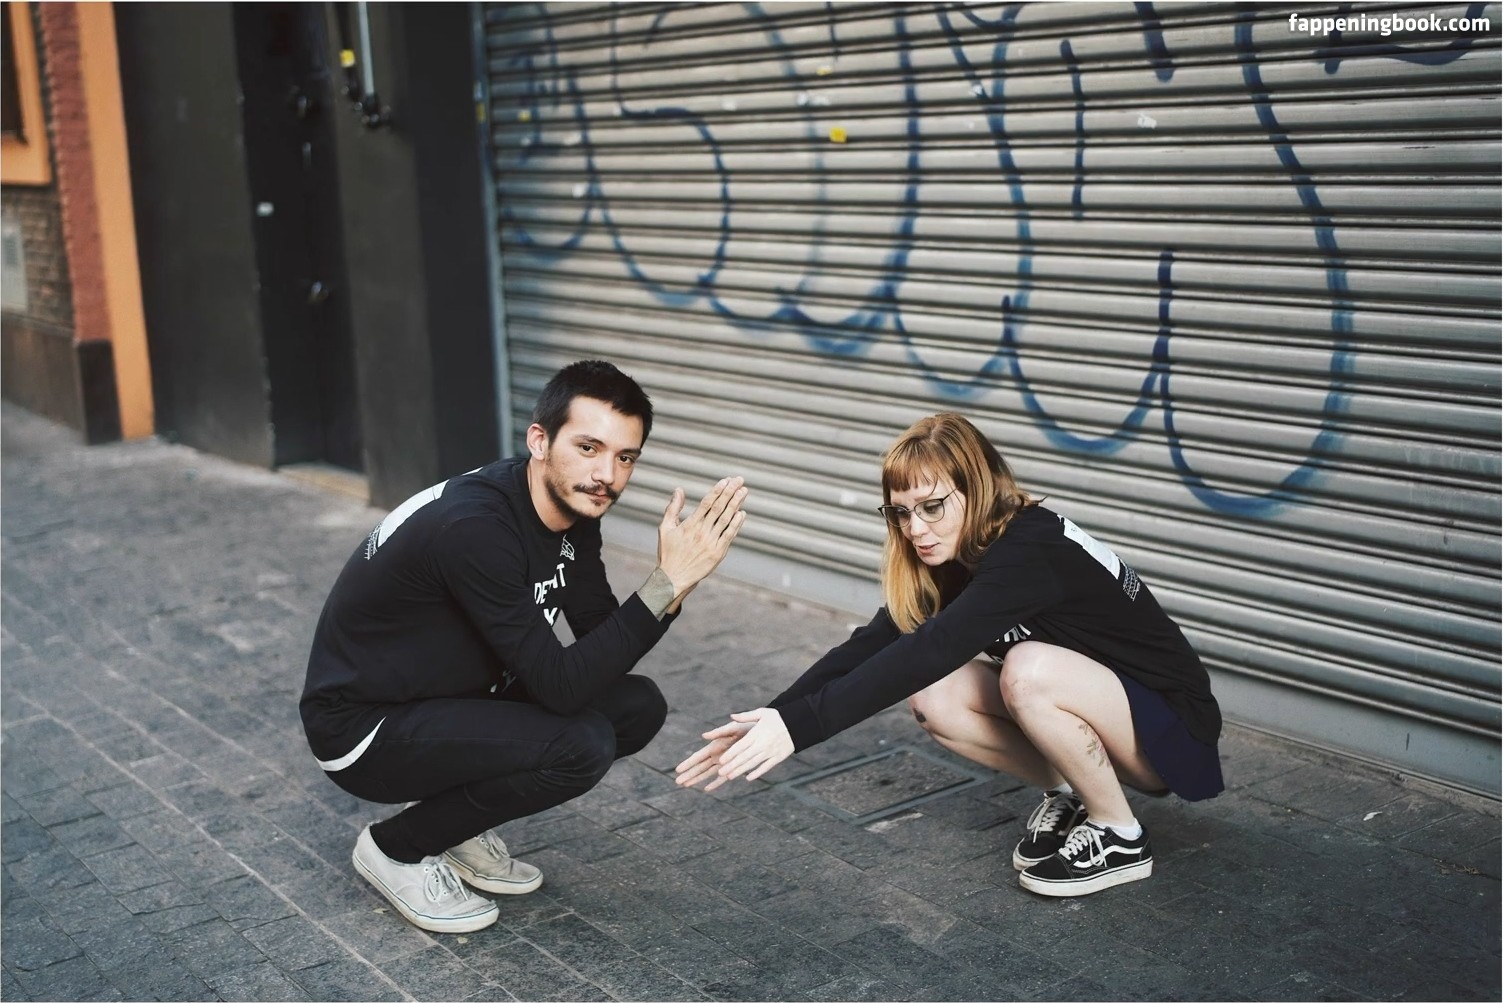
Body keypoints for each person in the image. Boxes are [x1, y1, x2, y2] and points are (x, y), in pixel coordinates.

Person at [676, 412, 1222, 898]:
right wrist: (775, 716)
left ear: (976, 489)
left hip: (1172, 731)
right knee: (936, 696)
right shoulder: (954, 556)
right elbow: (872, 645)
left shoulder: (1028, 548)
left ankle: (1121, 835)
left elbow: (932, 648)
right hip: (1107, 713)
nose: (915, 529)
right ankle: (1073, 793)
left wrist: (800, 730)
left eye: (932, 507)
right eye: (901, 513)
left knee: (1028, 669)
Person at [301, 360, 748, 933]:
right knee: (580, 744)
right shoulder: (476, 527)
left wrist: (675, 584)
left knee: (635, 706)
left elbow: (599, 636)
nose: (606, 475)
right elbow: (562, 688)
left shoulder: (572, 510)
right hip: (364, 728)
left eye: (625, 457)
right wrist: (663, 584)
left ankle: (453, 827)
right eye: (588, 447)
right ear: (540, 441)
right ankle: (396, 848)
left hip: (450, 697)